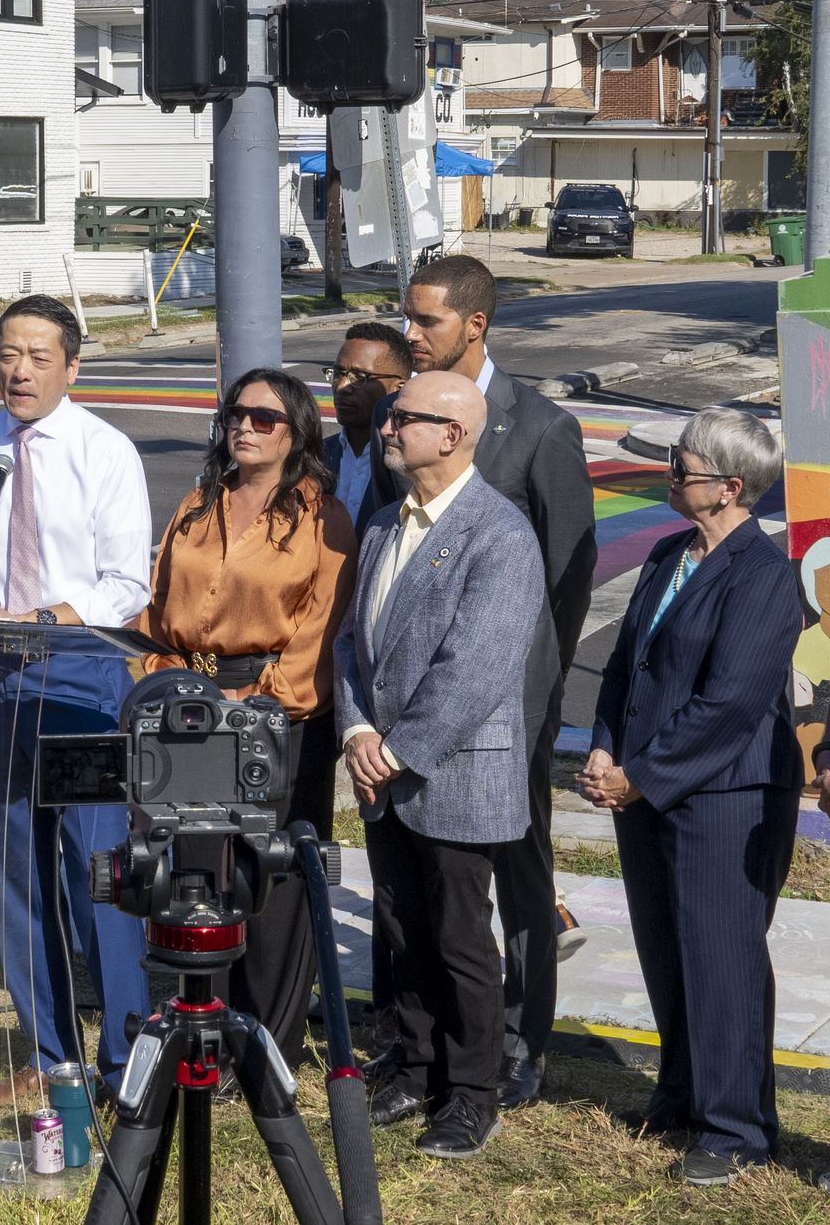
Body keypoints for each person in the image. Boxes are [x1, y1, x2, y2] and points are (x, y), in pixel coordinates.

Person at [0, 294, 154, 1110]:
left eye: (37, 356)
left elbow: (127, 586)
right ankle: (50, 1056)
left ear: (71, 366)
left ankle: (125, 1060)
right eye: (6, 354)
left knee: (98, 875)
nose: (17, 370)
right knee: (15, 876)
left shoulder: (105, 451)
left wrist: (40, 617)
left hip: (78, 676)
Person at [372, 254, 597, 1110]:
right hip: (408, 708)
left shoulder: (536, 427)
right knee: (422, 883)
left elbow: (566, 577)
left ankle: (518, 1036)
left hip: (510, 702)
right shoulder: (406, 416)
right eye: (407, 316)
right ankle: (423, 1038)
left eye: (425, 320)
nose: (411, 334)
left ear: (475, 325)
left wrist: (533, 698)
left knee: (518, 869)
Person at [579, 409, 802, 1188]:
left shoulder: (764, 575)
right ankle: (681, 1091)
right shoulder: (671, 553)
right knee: (666, 948)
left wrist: (640, 774)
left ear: (730, 488)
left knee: (721, 957)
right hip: (645, 786)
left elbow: (732, 704)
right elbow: (623, 666)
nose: (670, 473)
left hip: (726, 795)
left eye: (683, 466)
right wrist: (605, 745)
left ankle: (737, 1126)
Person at [335, 370, 544, 1160]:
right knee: (401, 929)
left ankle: (472, 1094)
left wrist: (394, 749)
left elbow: (475, 667)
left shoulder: (499, 533)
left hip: (451, 771)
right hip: (382, 769)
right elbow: (353, 641)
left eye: (402, 417)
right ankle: (417, 1067)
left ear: (451, 435)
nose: (386, 427)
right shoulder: (388, 523)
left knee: (461, 940)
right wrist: (357, 732)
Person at [140, 368, 356, 1064]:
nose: (245, 425)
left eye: (265, 417)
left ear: (297, 432)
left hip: (276, 713)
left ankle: (268, 1045)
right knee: (199, 877)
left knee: (274, 878)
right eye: (237, 413)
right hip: (188, 708)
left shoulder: (324, 516)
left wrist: (255, 703)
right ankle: (205, 1031)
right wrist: (158, 678)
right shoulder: (199, 501)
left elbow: (321, 633)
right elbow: (156, 607)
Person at [321, 321, 411, 532]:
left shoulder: (409, 465)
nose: (342, 387)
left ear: (398, 388)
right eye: (338, 373)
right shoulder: (316, 455)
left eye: (360, 377)